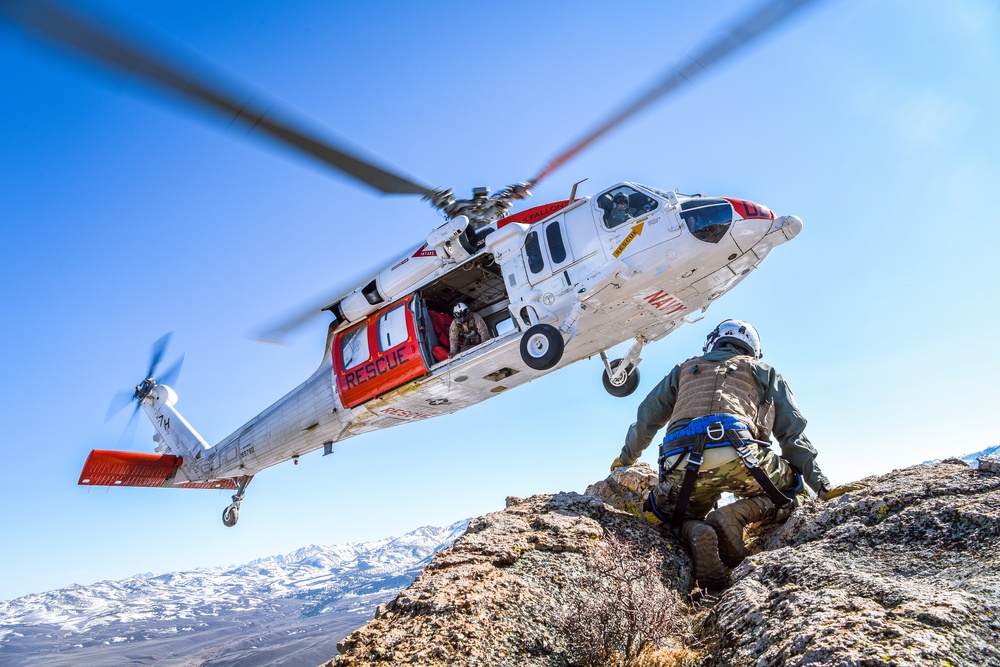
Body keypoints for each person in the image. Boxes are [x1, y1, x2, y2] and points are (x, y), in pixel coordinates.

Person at [610, 319, 860, 588]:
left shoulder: (683, 370)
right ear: (752, 349)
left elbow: (647, 418)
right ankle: (734, 516)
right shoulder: (763, 370)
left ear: (713, 342)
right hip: (742, 455)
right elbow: (792, 434)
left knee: (668, 515)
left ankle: (694, 528)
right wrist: (822, 487)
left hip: (680, 460)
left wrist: (626, 459)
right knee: (794, 491)